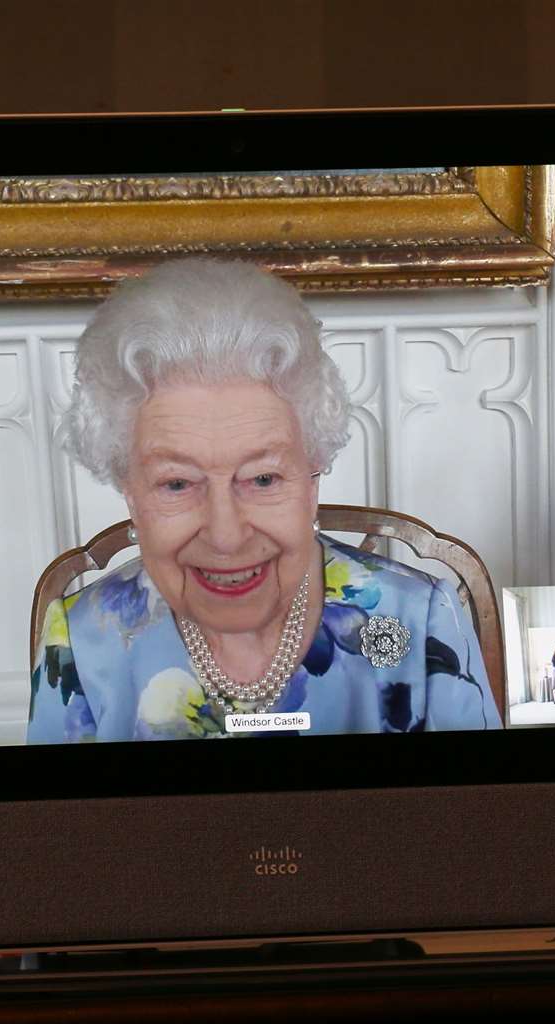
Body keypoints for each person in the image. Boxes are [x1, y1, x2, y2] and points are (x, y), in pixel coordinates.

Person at [28, 258, 502, 742]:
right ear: (128, 490)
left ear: (311, 477)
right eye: (177, 484)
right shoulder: (82, 645)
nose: (226, 537)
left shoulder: (417, 621)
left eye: (262, 479)